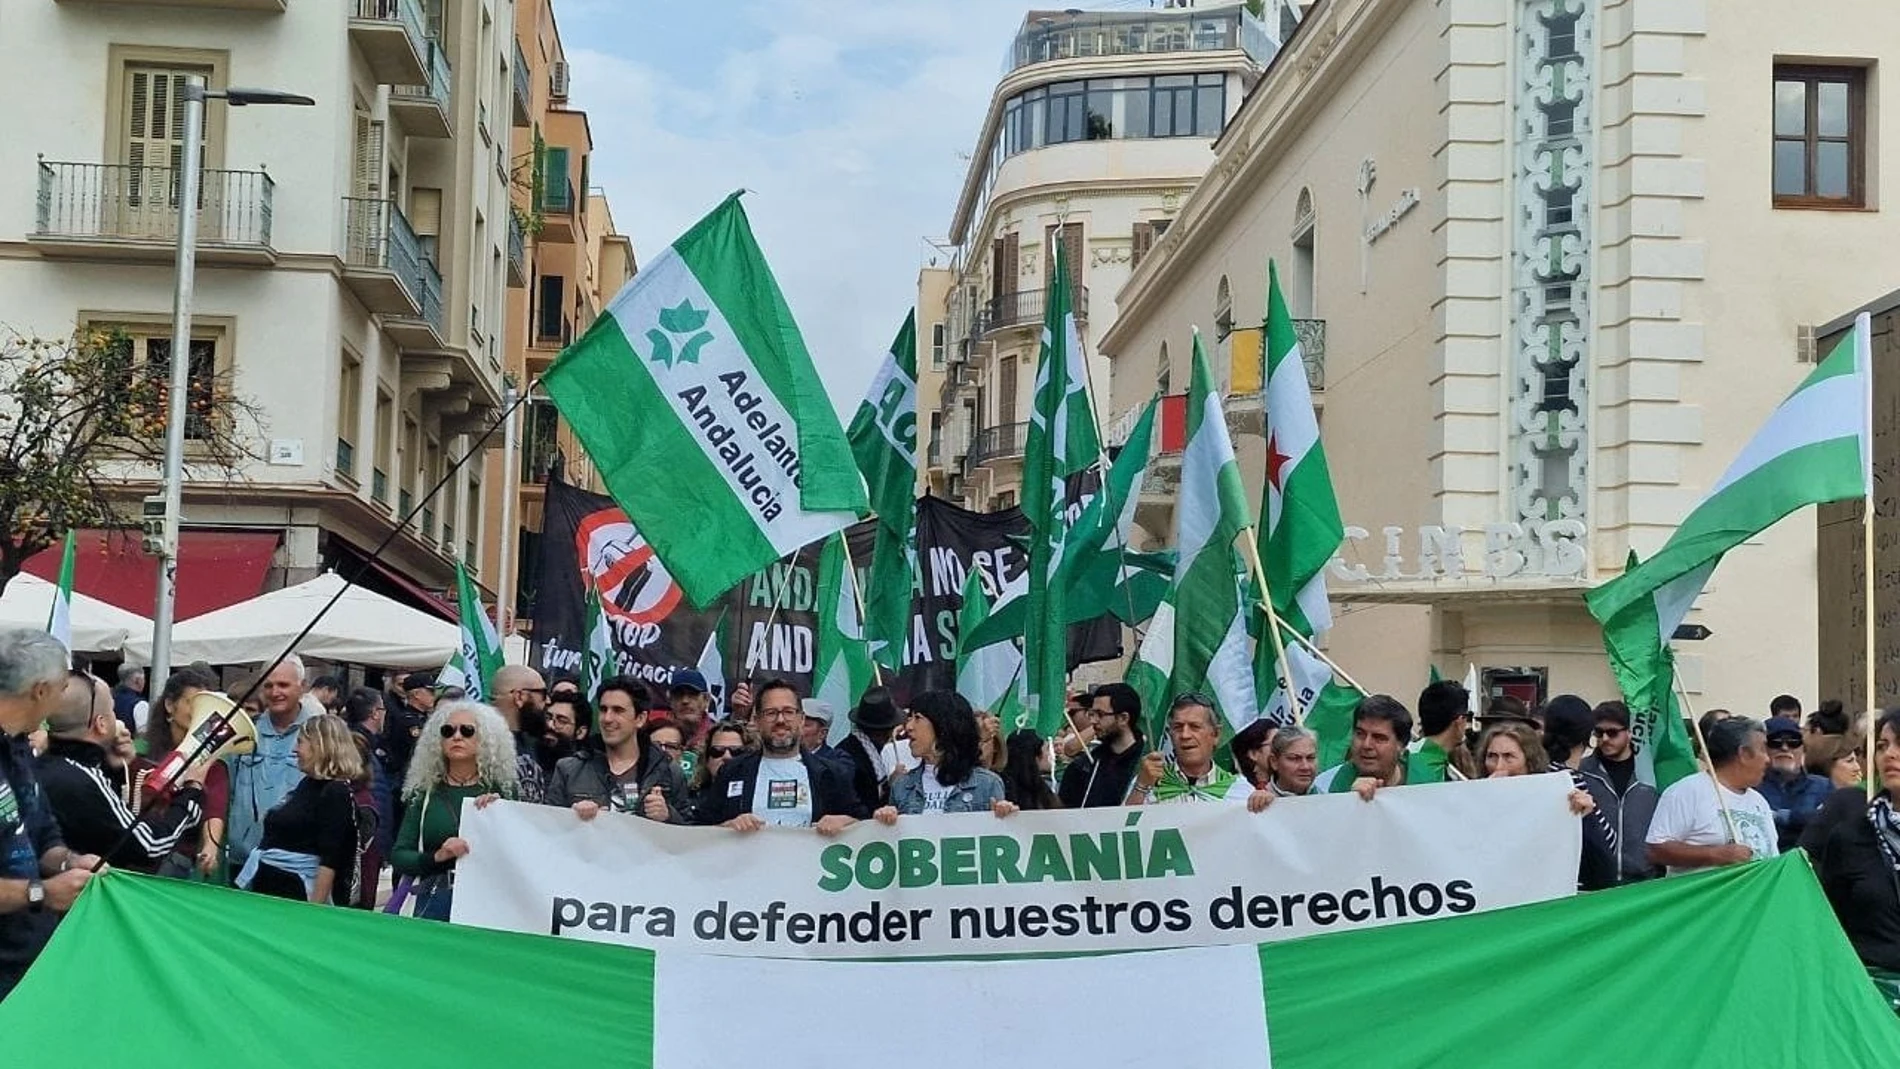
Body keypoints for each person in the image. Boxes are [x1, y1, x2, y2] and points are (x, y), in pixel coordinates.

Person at [0, 629, 97, 1001]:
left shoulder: (19, 745)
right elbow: (41, 891)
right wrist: (43, 892)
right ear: (39, 690)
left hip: (31, 965)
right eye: (61, 686)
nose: (62, 697)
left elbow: (42, 833)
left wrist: (69, 861)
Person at [35, 671, 205, 875]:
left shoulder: (43, 764)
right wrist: (192, 793)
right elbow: (149, 845)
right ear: (101, 723)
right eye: (113, 711)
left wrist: (112, 767)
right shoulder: (83, 780)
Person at [391, 701, 519, 921]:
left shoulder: (503, 791)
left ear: (486, 739)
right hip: (434, 901)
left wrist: (499, 816)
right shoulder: (424, 792)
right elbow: (400, 855)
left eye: (467, 731)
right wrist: (437, 857)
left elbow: (517, 854)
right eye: (447, 731)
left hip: (487, 903)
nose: (456, 737)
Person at [1803, 709, 1900, 980]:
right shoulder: (1851, 836)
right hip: (1873, 995)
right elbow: (1828, 919)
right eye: (1882, 746)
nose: (1890, 754)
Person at [694, 679, 862, 832]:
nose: (780, 720)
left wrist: (844, 822)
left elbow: (863, 823)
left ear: (801, 719)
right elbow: (700, 828)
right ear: (757, 721)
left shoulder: (831, 773)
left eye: (788, 712)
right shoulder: (732, 771)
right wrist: (728, 827)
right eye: (771, 713)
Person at [236, 714, 362, 905]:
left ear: (320, 746)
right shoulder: (307, 784)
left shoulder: (335, 792)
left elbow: (330, 860)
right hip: (274, 887)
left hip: (297, 894)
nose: (295, 750)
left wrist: (314, 910)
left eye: (301, 743)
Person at [1646, 716, 1778, 876]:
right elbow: (1656, 850)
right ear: (1743, 753)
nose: (1768, 759)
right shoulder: (1687, 792)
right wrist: (1715, 854)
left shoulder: (1760, 802)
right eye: (1763, 750)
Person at [546, 676, 684, 823]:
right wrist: (572, 817)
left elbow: (691, 836)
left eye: (618, 710)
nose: (607, 718)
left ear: (640, 718)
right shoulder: (569, 769)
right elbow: (548, 830)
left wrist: (668, 815)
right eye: (603, 709)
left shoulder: (668, 771)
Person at [226, 654, 318, 876]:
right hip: (243, 860)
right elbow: (226, 792)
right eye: (268, 685)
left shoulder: (318, 734)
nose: (275, 692)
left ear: (303, 687)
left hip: (296, 863)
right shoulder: (244, 732)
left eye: (283, 685)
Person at [139, 667, 229, 880]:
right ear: (170, 705)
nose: (200, 712)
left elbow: (214, 810)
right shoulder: (139, 752)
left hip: (176, 865)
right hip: (137, 855)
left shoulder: (213, 764)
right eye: (193, 703)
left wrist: (210, 847)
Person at [874, 690, 1010, 821]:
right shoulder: (902, 786)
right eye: (909, 718)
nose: (908, 726)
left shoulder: (986, 784)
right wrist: (884, 820)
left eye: (917, 718)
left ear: (942, 724)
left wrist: (1006, 817)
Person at [1576, 700, 1661, 884]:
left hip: (1644, 882)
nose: (1604, 739)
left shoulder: (1649, 773)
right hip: (1594, 882)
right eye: (1598, 733)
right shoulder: (1581, 772)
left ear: (1629, 733)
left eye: (1612, 733)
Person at [1128, 694, 1256, 806]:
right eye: (1178, 727)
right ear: (1170, 734)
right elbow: (1124, 827)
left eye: (1195, 727)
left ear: (1216, 734)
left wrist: (1266, 805)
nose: (1185, 735)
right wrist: (1141, 786)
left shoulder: (1241, 792)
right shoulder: (1147, 782)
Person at [1058, 683, 1147, 808]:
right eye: (1091, 713)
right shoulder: (1084, 767)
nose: (1093, 721)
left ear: (1123, 718)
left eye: (1100, 714)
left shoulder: (1149, 762)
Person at [342, 687, 392, 909]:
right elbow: (372, 800)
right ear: (375, 713)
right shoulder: (359, 747)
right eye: (383, 709)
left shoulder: (365, 744)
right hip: (363, 851)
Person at [1755, 715, 1834, 853]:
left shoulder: (1823, 786)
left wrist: (1784, 817)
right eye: (1775, 742)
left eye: (1793, 742)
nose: (1785, 748)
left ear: (1803, 748)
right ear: (1763, 749)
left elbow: (1829, 825)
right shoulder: (1752, 787)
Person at [1311, 695, 1412, 796]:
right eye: (1360, 734)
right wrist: (1350, 801)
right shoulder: (1324, 788)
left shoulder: (1425, 780)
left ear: (1401, 745)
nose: (1366, 745)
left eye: (1378, 738)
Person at [835, 686, 904, 815]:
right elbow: (860, 805)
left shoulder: (872, 750)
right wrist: (892, 787)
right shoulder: (846, 757)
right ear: (885, 730)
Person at [491, 665, 550, 803]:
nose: (548, 701)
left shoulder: (533, 743)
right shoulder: (481, 743)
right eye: (543, 693)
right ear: (519, 696)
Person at [681, 720, 757, 824]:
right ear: (706, 759)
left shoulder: (758, 794)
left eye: (736, 752)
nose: (726, 757)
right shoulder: (689, 797)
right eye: (717, 751)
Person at [1408, 680, 1475, 784]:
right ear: (1460, 721)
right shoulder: (1427, 764)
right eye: (1468, 716)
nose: (1468, 724)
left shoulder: (1408, 753)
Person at [1000, 728, 1060, 810]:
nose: (1052, 754)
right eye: (1047, 749)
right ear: (1035, 757)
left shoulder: (1045, 788)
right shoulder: (1003, 787)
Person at [1264, 725, 1321, 797]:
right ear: (1274, 762)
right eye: (1294, 758)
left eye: (1310, 758)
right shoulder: (1252, 803)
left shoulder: (1331, 797)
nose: (1305, 767)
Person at [667, 668, 714, 749]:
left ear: (706, 700)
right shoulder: (659, 737)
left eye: (693, 694)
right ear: (670, 701)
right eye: (678, 695)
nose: (685, 701)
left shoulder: (717, 737)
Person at [1231, 718, 1278, 789]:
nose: (1282, 747)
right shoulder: (1240, 790)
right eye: (1275, 743)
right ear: (1253, 754)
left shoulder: (1293, 783)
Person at [111, 664, 148, 738]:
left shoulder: (108, 698)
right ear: (138, 680)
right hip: (129, 747)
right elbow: (143, 736)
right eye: (144, 679)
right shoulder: (141, 704)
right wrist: (138, 749)